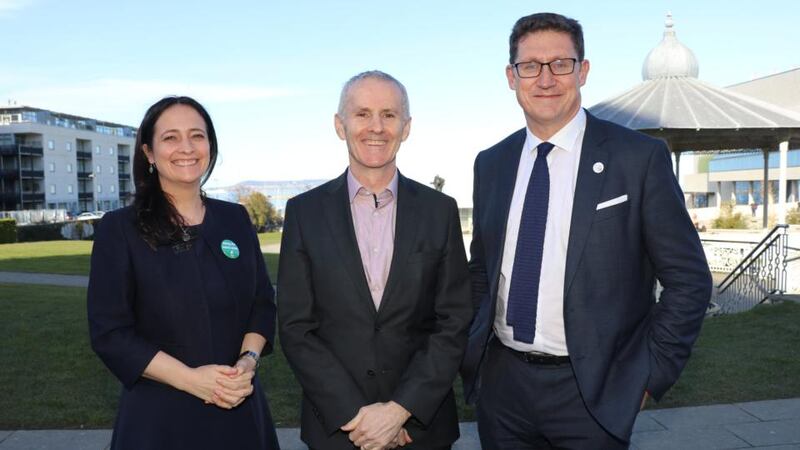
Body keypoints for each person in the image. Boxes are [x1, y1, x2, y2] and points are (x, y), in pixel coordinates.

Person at [460, 13, 712, 449]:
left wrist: (648, 377)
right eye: (530, 66)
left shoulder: (639, 158)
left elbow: (688, 280)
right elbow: (482, 269)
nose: (545, 78)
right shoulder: (492, 163)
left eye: (560, 63)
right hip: (502, 388)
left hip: (594, 392)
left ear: (583, 70)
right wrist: (475, 359)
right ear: (510, 76)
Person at [278, 71, 473, 450]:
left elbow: (454, 320)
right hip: (337, 428)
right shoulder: (304, 213)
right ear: (340, 125)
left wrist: (401, 410)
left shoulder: (439, 211)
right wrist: (357, 418)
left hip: (420, 430)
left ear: (407, 126)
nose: (376, 127)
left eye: (389, 114)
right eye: (362, 114)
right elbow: (295, 327)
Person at [87, 96, 280, 449]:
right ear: (148, 152)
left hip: (239, 410)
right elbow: (110, 333)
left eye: (197, 135)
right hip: (158, 421)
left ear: (210, 144)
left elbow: (262, 303)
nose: (186, 148)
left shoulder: (234, 219)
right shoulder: (119, 229)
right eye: (170, 137)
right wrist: (191, 380)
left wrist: (247, 363)